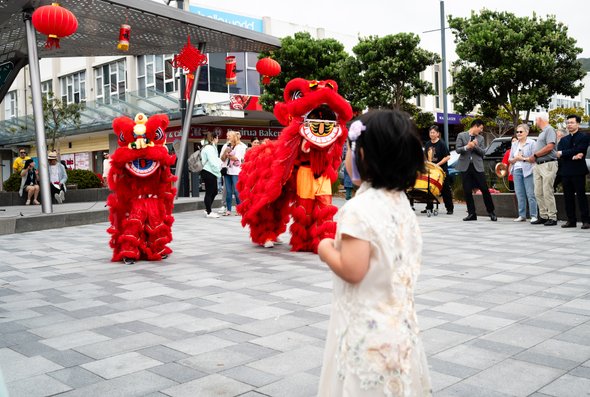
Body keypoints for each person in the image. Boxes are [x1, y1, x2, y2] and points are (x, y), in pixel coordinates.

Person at [317, 109, 432, 397]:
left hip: (367, 335)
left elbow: (353, 269)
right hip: (401, 329)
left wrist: (324, 248)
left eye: (349, 151)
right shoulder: (401, 203)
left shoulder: (359, 208)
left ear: (364, 156)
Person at [455, 119, 497, 221]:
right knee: (467, 191)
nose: (481, 130)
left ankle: (491, 212)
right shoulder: (461, 135)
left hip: (477, 167)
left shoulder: (481, 138)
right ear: (475, 126)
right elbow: (457, 149)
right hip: (465, 166)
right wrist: (467, 147)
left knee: (484, 189)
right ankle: (472, 214)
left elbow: (483, 152)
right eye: (480, 128)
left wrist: (475, 146)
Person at [557, 114, 590, 229]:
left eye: (571, 122)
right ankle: (571, 220)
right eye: (567, 123)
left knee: (581, 196)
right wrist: (571, 155)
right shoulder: (564, 139)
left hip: (578, 171)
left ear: (578, 124)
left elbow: (580, 150)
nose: (569, 125)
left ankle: (586, 220)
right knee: (568, 197)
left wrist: (565, 153)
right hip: (565, 171)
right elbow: (559, 153)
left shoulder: (584, 137)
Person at [527, 112, 558, 226]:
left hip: (548, 164)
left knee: (547, 191)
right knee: (538, 192)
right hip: (539, 165)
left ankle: (552, 217)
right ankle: (544, 215)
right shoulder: (542, 133)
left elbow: (550, 147)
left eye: (536, 119)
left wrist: (535, 156)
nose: (535, 121)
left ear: (540, 119)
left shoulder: (550, 130)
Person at [508, 125, 538, 223]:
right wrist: (516, 159)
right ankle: (522, 215)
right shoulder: (514, 144)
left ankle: (534, 215)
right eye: (517, 132)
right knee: (520, 194)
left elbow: (535, 158)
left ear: (527, 132)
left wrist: (523, 158)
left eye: (521, 132)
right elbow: (510, 159)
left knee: (530, 194)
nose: (519, 134)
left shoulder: (532, 143)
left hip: (528, 170)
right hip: (516, 170)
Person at [423, 125, 454, 214]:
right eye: (430, 132)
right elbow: (426, 156)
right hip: (431, 171)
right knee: (428, 188)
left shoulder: (442, 144)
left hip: (441, 171)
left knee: (445, 190)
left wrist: (437, 165)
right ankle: (429, 207)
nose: (432, 134)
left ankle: (449, 208)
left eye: (433, 132)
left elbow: (447, 157)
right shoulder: (428, 143)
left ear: (437, 134)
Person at [220, 130, 247, 216]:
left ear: (233, 137)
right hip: (227, 171)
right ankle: (228, 210)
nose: (227, 137)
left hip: (235, 171)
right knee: (228, 191)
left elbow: (236, 159)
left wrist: (229, 154)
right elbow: (222, 158)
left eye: (229, 136)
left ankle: (239, 209)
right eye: (227, 136)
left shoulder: (240, 146)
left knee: (236, 190)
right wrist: (225, 153)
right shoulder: (225, 145)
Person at [200, 131, 222, 218]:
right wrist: (218, 170)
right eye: (217, 138)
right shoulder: (209, 148)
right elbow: (213, 162)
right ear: (213, 138)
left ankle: (207, 209)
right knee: (210, 192)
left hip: (210, 172)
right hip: (209, 171)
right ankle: (209, 212)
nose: (218, 139)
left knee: (214, 191)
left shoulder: (210, 147)